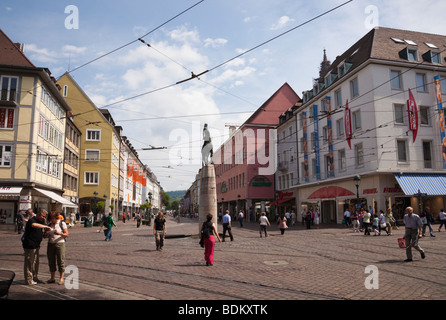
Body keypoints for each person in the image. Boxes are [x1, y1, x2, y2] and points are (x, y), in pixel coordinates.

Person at [22, 209, 51, 285]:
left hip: (36, 245)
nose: (44, 218)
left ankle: (35, 277)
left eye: (45, 217)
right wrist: (45, 226)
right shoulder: (32, 220)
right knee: (29, 263)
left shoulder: (41, 221)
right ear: (38, 214)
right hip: (29, 245)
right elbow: (34, 225)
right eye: (43, 216)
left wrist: (47, 233)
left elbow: (42, 234)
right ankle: (28, 280)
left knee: (35, 263)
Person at [44, 212, 68, 285]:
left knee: (60, 260)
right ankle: (52, 278)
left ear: (56, 218)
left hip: (60, 243)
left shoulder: (62, 223)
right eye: (50, 219)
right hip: (50, 244)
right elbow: (44, 236)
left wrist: (59, 233)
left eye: (52, 219)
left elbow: (66, 234)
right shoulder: (49, 225)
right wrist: (47, 233)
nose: (51, 220)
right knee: (51, 261)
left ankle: (61, 278)